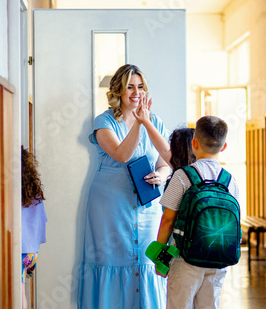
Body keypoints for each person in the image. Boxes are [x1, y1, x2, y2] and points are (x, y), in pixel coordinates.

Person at [78, 64, 171, 308]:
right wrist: (140, 123)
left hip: (147, 207)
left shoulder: (156, 122)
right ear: (118, 90)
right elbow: (122, 155)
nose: (136, 92)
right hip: (110, 207)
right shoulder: (104, 121)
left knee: (147, 261)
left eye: (140, 87)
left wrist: (161, 176)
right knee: (113, 259)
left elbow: (167, 162)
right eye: (129, 86)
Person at [156, 116, 239, 309]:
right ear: (224, 146)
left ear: (194, 143)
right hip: (218, 260)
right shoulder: (229, 181)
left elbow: (168, 221)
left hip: (185, 259)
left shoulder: (183, 176)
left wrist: (160, 258)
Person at [21, 146, 47, 309]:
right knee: (21, 291)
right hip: (32, 252)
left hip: (19, 250)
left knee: (17, 293)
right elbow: (43, 220)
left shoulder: (11, 192)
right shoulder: (34, 193)